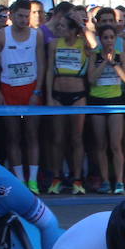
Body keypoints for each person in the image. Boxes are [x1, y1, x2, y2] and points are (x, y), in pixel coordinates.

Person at [0, 0, 44, 193]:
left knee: (32, 136)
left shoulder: (36, 35)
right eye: (20, 16)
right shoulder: (2, 36)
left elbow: (41, 63)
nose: (23, 20)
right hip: (9, 89)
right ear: (11, 15)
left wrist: (37, 90)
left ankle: (33, 181)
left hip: (30, 89)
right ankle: (20, 180)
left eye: (27, 16)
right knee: (13, 136)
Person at [44, 14, 89, 194]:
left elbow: (94, 46)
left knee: (76, 138)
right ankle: (57, 177)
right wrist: (48, 96)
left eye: (63, 27)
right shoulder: (55, 44)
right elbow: (49, 71)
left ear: (72, 30)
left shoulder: (82, 43)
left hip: (78, 95)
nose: (59, 29)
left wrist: (81, 25)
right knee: (58, 138)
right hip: (57, 94)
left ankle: (77, 179)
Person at [88, 24, 125, 194]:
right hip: (98, 101)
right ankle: (105, 180)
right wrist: (103, 62)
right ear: (100, 39)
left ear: (115, 39)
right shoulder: (94, 55)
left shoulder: (121, 56)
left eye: (111, 37)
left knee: (115, 144)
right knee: (101, 144)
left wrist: (113, 63)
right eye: (105, 37)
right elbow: (91, 78)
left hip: (115, 101)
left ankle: (119, 181)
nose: (108, 41)